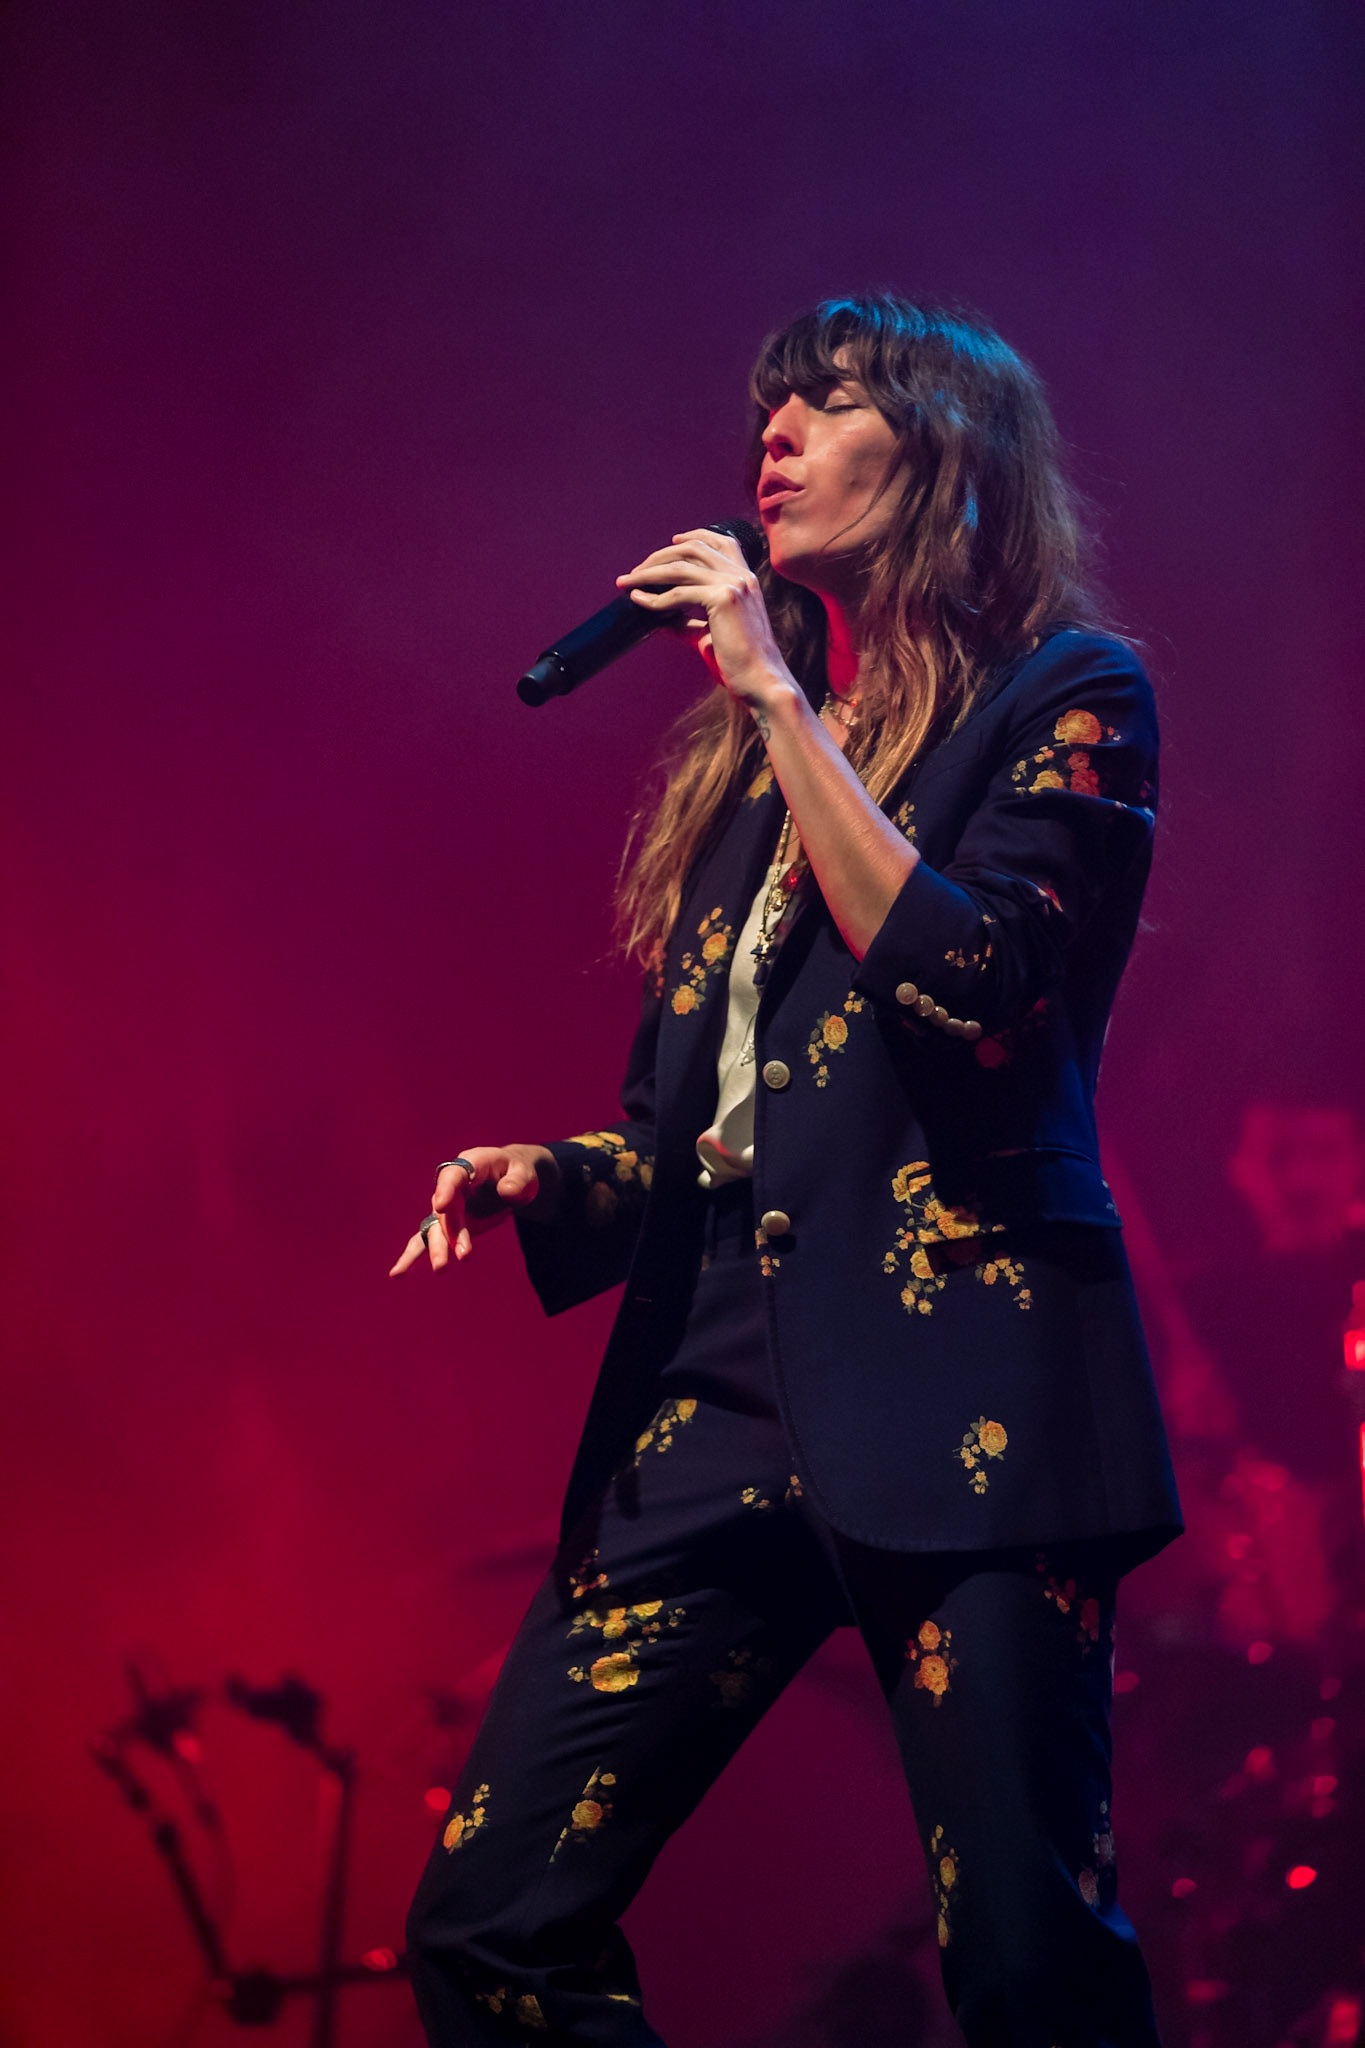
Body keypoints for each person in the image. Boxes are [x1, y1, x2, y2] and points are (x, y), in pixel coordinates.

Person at [393, 293, 1182, 2046]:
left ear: (949, 463)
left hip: (964, 1373)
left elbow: (978, 989)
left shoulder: (1065, 700)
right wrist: (563, 1171)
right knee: (488, 1922)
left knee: (1025, 1961)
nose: (774, 435)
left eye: (827, 403)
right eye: (770, 407)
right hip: (719, 1384)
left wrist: (770, 692)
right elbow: (706, 1128)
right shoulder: (751, 780)